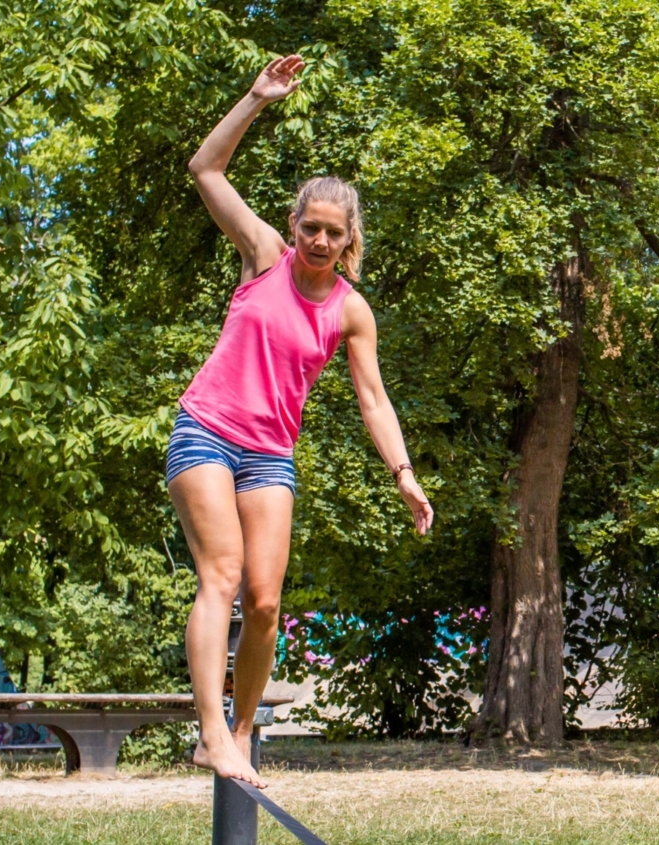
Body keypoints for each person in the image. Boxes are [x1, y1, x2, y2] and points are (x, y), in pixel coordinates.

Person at [173, 54, 433, 787]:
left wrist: (404, 473)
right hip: (206, 431)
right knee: (221, 574)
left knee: (264, 601)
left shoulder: (351, 310)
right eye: (310, 227)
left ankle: (239, 733)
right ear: (294, 225)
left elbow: (373, 399)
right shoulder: (264, 256)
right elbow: (205, 170)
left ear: (349, 239)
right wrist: (256, 98)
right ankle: (210, 732)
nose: (319, 241)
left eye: (332, 233)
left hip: (269, 455)